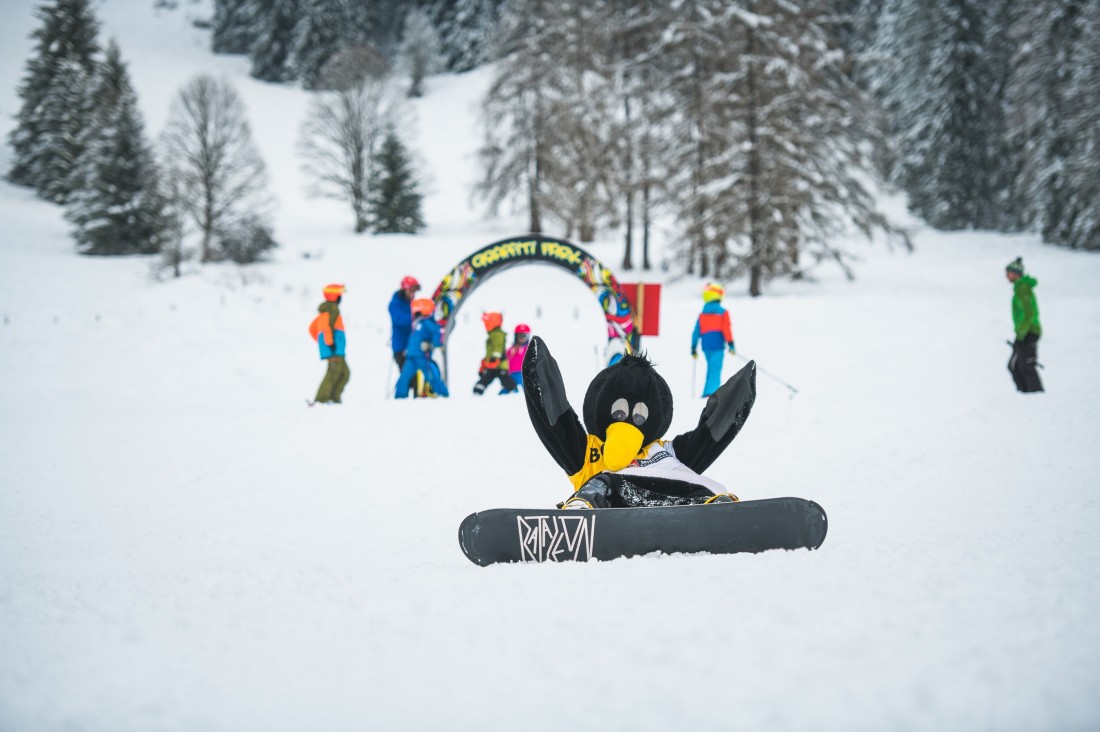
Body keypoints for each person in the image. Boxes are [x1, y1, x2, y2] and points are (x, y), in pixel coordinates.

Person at [395, 298, 449, 399]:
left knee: (431, 377)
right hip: (411, 357)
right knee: (404, 378)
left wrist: (431, 345)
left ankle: (443, 394)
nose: (414, 311)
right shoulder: (416, 323)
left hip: (422, 357)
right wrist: (407, 350)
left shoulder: (427, 322)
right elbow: (414, 339)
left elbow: (437, 334)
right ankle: (399, 397)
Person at [1005, 257, 1044, 393]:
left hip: (1029, 332)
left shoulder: (1023, 288)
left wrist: (1021, 334)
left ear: (1016, 274)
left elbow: (1029, 313)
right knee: (1015, 365)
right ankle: (1025, 394)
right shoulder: (1019, 288)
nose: (1006, 275)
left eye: (1009, 272)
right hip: (1024, 332)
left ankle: (1034, 394)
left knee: (1024, 366)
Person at [691, 282, 736, 398]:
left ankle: (708, 391)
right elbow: (726, 329)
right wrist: (731, 344)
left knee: (711, 368)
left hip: (706, 346)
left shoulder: (702, 314)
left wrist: (693, 347)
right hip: (717, 346)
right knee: (715, 369)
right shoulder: (723, 312)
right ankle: (712, 393)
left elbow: (696, 332)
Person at [309, 283, 350, 404]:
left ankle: (333, 397)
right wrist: (329, 343)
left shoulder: (325, 312)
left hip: (336, 349)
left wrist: (322, 343)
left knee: (344, 373)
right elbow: (327, 328)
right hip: (334, 349)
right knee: (333, 373)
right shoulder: (332, 310)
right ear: (334, 297)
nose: (340, 298)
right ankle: (321, 399)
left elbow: (312, 329)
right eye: (339, 295)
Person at [473, 311, 518, 395]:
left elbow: (498, 347)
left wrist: (494, 358)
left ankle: (514, 390)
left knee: (504, 378)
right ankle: (478, 390)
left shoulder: (498, 334)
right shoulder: (492, 335)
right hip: (492, 365)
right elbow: (489, 353)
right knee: (486, 378)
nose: (485, 325)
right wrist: (484, 364)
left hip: (500, 365)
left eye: (486, 322)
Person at [388, 275, 421, 369]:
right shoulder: (395, 304)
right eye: (411, 291)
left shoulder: (412, 303)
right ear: (404, 290)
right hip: (401, 348)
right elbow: (399, 320)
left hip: (413, 346)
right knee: (408, 378)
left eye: (414, 292)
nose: (413, 294)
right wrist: (414, 316)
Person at [505, 323, 531, 390]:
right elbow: (506, 358)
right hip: (512, 374)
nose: (522, 338)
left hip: (524, 374)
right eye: (520, 336)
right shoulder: (512, 349)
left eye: (524, 336)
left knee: (527, 389)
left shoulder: (529, 348)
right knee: (509, 389)